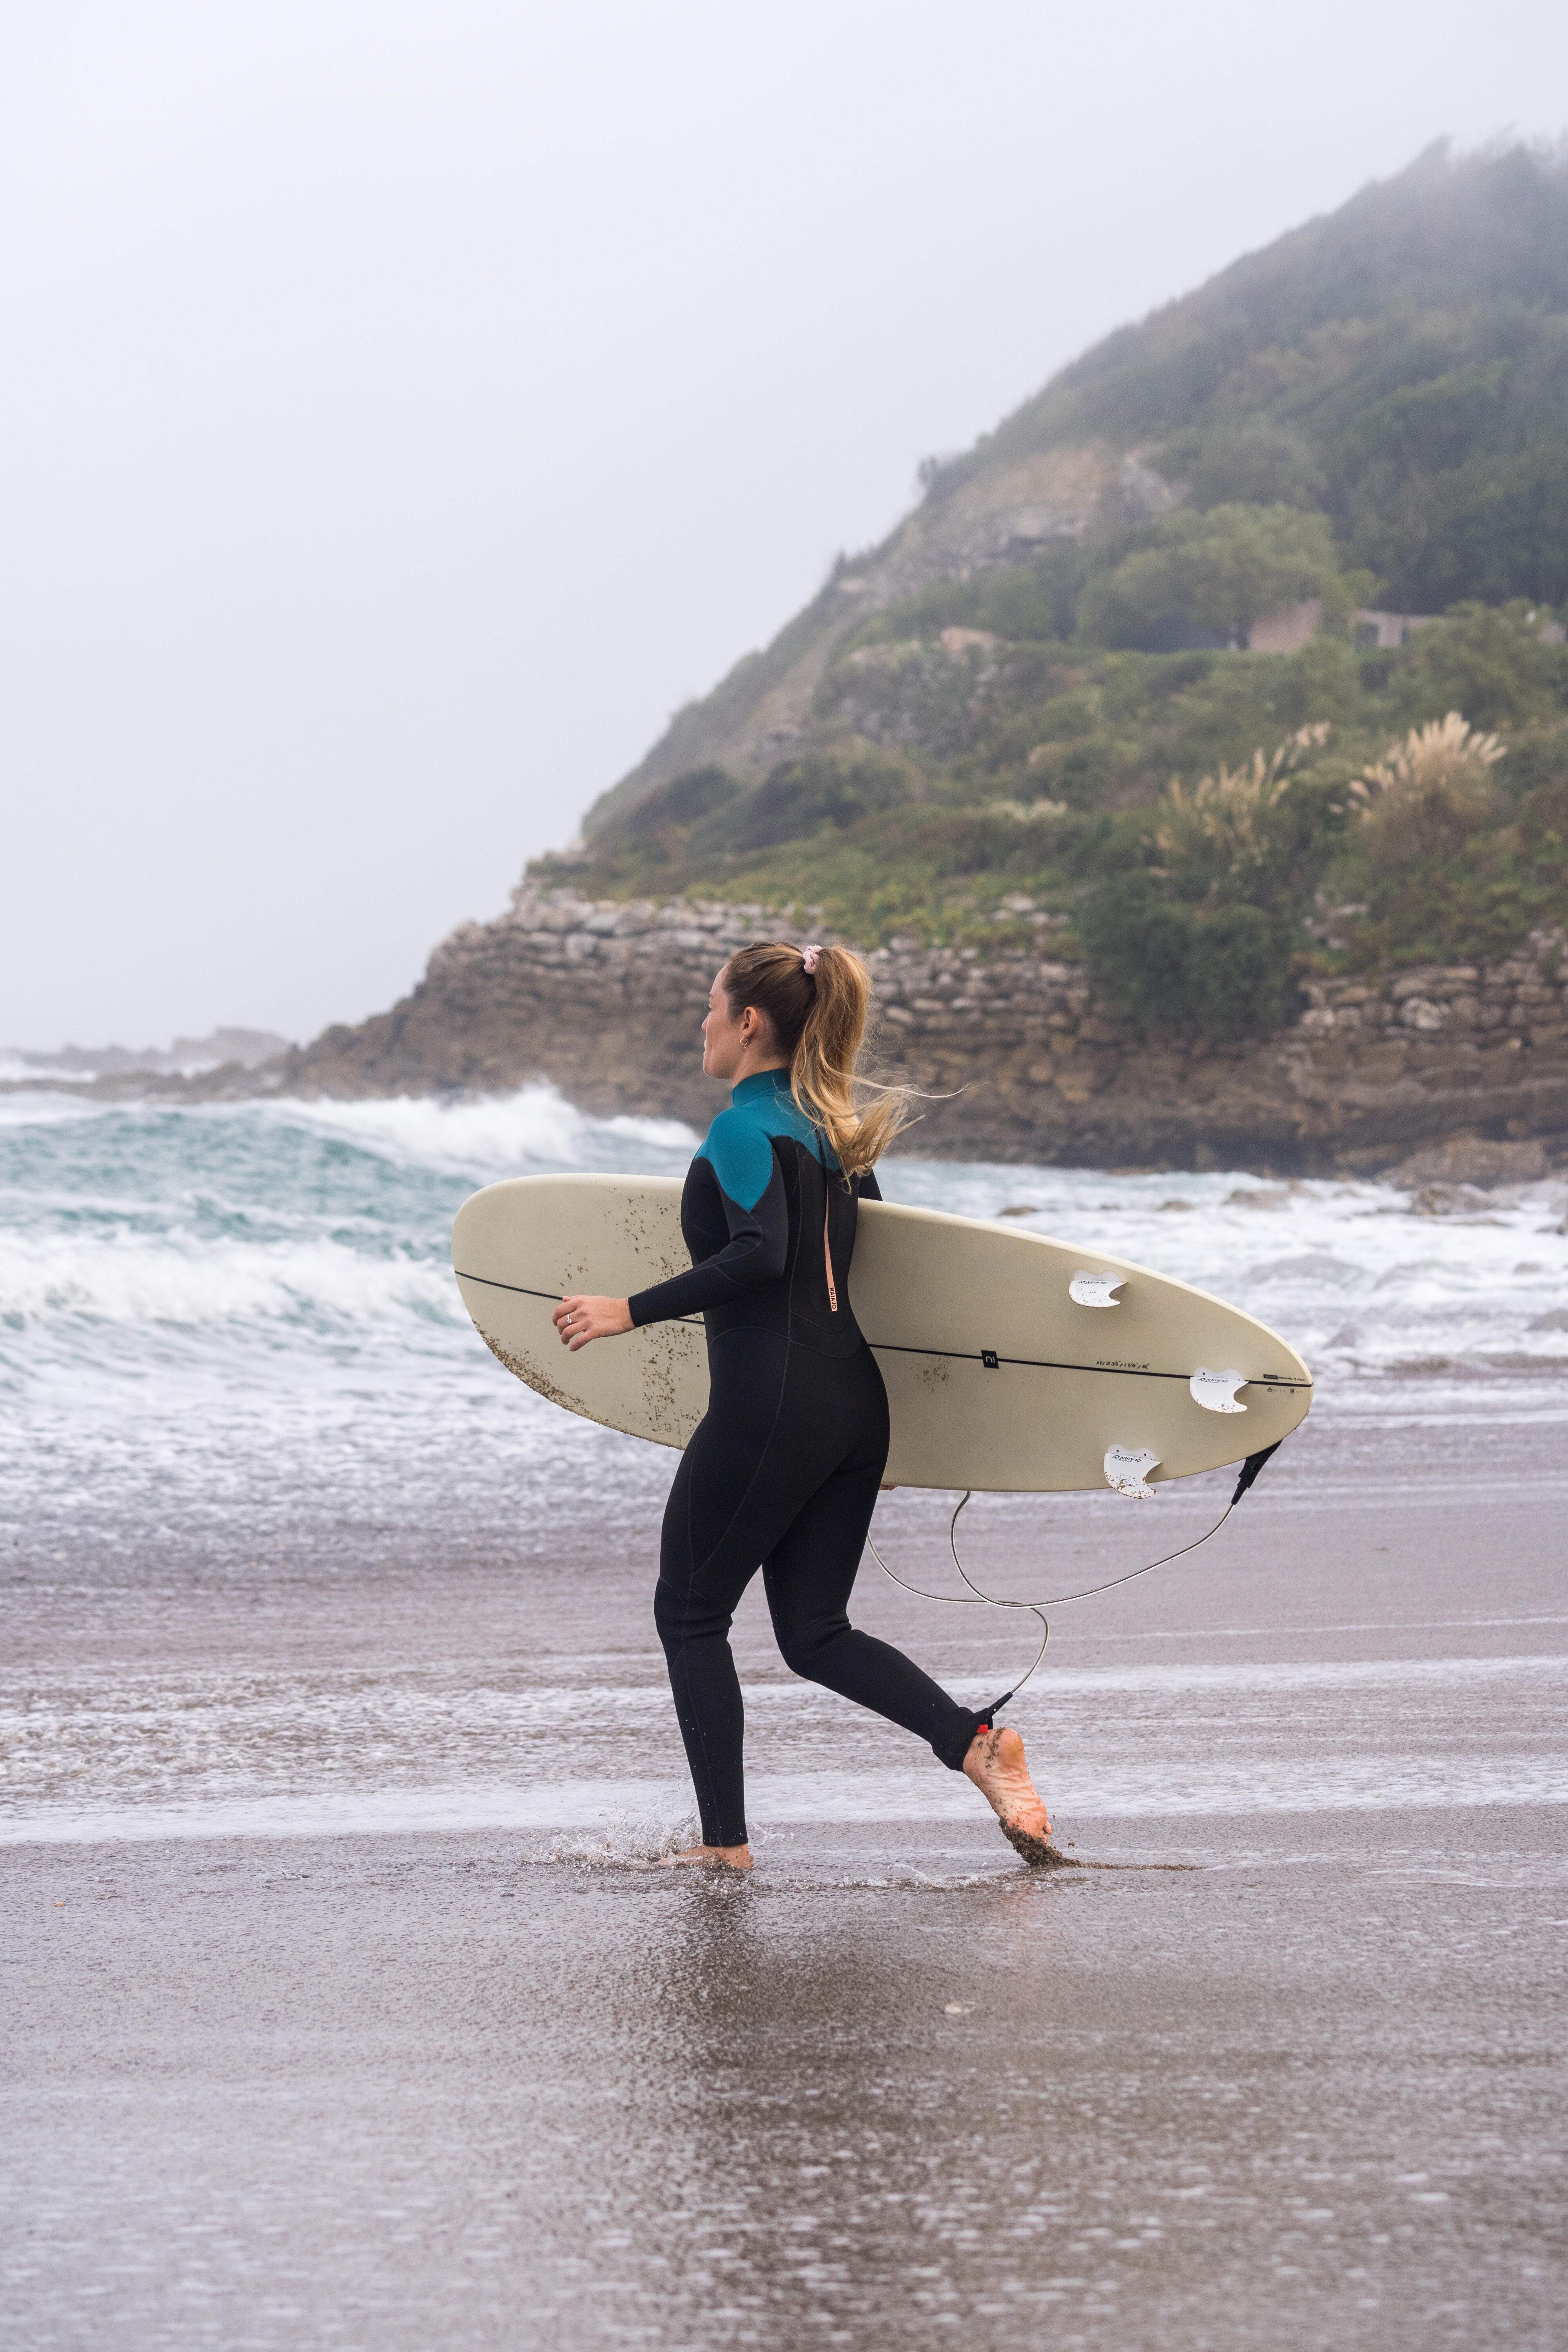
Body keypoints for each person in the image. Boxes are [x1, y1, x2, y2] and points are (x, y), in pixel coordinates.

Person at [552, 940, 1054, 1871]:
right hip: (850, 1405)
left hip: (770, 1402)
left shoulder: (741, 1128)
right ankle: (973, 1743)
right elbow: (882, 1281)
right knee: (814, 1634)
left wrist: (630, 1309)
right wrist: (886, 1442)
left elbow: (762, 1254)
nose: (700, 1022)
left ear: (749, 1022)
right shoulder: (836, 1133)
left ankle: (725, 1848)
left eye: (710, 1005)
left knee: (690, 1615)